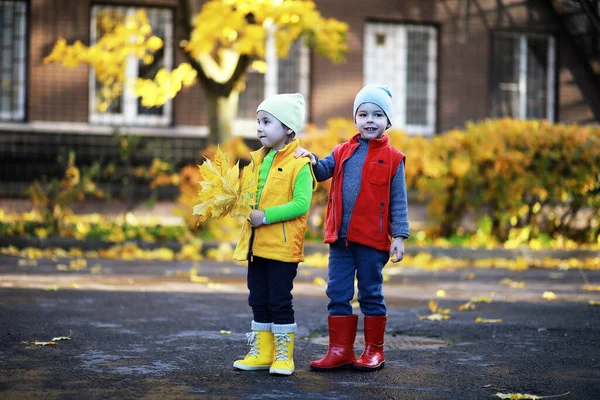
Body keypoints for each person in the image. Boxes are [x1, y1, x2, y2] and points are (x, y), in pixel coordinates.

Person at [295, 84, 409, 372]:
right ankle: (340, 350)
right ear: (355, 119)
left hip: (372, 241)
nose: (369, 120)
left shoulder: (394, 158)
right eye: (363, 114)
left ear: (388, 121)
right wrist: (311, 160)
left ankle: (374, 351)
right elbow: (322, 172)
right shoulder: (342, 151)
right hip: (340, 240)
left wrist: (399, 236)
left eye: (377, 115)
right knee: (337, 292)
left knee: (370, 292)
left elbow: (398, 201)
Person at [232, 93, 316, 376]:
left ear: (288, 129)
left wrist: (265, 216)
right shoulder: (257, 160)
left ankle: (284, 355)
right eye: (258, 121)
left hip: (281, 247)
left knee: (279, 299)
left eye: (267, 121)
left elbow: (301, 204)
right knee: (258, 298)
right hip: (257, 246)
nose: (259, 127)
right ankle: (263, 352)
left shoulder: (299, 164)